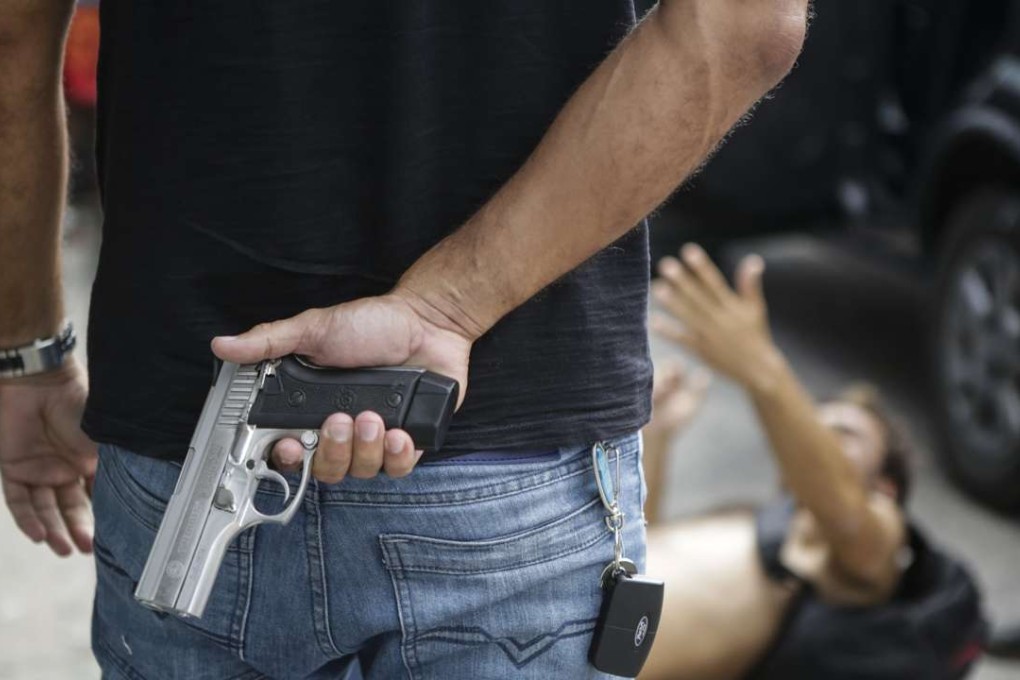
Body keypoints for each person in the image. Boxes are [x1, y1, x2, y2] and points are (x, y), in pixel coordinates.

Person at [0, 1, 810, 678]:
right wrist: (451, 305)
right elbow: (741, 26)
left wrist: (26, 353)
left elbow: (12, 34)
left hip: (180, 415)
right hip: (512, 462)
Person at [638, 244, 985, 680]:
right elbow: (637, 563)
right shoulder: (753, 515)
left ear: (886, 487)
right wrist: (655, 442)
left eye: (841, 434)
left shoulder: (867, 549)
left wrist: (762, 369)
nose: (814, 435)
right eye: (813, 425)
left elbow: (847, 514)